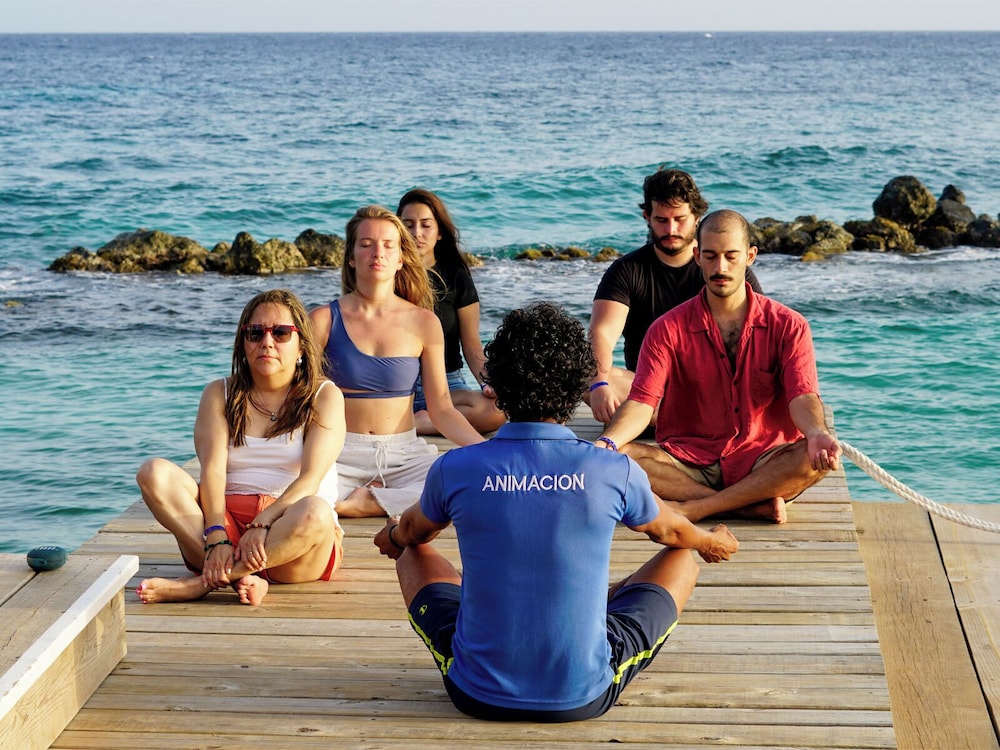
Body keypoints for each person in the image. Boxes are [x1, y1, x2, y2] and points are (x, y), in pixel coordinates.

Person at [374, 302, 739, 722]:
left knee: (413, 550)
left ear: (497, 385)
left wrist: (394, 535)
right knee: (683, 557)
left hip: (476, 692)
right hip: (581, 694)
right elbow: (673, 532)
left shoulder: (457, 467)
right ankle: (589, 604)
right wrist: (711, 541)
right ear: (575, 387)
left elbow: (414, 531)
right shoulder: (611, 468)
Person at [597, 210, 841, 525]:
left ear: (750, 256)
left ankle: (698, 507)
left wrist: (817, 432)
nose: (720, 267)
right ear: (697, 256)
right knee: (620, 459)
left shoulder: (789, 325)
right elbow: (643, 402)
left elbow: (802, 395)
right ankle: (742, 506)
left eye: (731, 256)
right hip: (689, 459)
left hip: (763, 459)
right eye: (710, 256)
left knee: (810, 457)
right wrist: (607, 443)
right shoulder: (666, 329)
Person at [135, 289, 346, 606]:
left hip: (293, 532)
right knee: (154, 473)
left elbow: (310, 480)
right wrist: (216, 533)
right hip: (226, 526)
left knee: (317, 510)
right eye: (255, 333)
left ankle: (201, 584)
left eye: (281, 333)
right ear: (243, 343)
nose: (267, 342)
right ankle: (241, 577)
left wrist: (264, 522)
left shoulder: (325, 396)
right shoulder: (219, 393)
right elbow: (212, 470)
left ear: (302, 344)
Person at [310, 205, 485, 519]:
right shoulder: (323, 320)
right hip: (338, 453)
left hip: (404, 455)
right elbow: (298, 397)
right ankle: (377, 500)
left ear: (401, 257)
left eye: (388, 245)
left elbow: (442, 409)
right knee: (304, 496)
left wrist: (486, 451)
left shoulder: (424, 322)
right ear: (351, 257)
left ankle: (368, 502)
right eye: (366, 244)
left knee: (467, 482)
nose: (378, 252)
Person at [587, 167, 763, 425]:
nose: (671, 229)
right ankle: (688, 421)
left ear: (697, 217)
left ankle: (682, 420)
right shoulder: (626, 271)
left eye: (680, 219)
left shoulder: (724, 271)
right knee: (581, 372)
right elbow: (602, 332)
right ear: (647, 216)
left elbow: (762, 336)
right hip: (649, 393)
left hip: (716, 393)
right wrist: (599, 384)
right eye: (661, 220)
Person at [396, 188, 505, 435]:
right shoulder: (388, 276)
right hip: (398, 386)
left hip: (448, 385)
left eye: (426, 225)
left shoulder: (457, 278)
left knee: (497, 410)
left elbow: (472, 347)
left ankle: (420, 423)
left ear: (439, 233)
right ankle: (418, 420)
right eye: (408, 225)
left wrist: (488, 384)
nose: (416, 233)